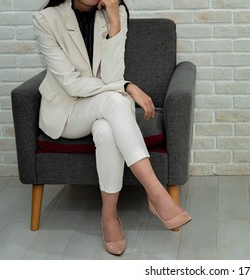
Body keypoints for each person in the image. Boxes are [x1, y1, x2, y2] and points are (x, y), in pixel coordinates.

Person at [33, 0, 192, 256]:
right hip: (69, 112)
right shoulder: (46, 20)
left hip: (108, 109)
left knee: (107, 129)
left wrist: (115, 22)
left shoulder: (113, 15)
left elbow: (111, 77)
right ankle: (156, 193)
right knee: (115, 99)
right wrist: (128, 87)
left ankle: (109, 215)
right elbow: (71, 85)